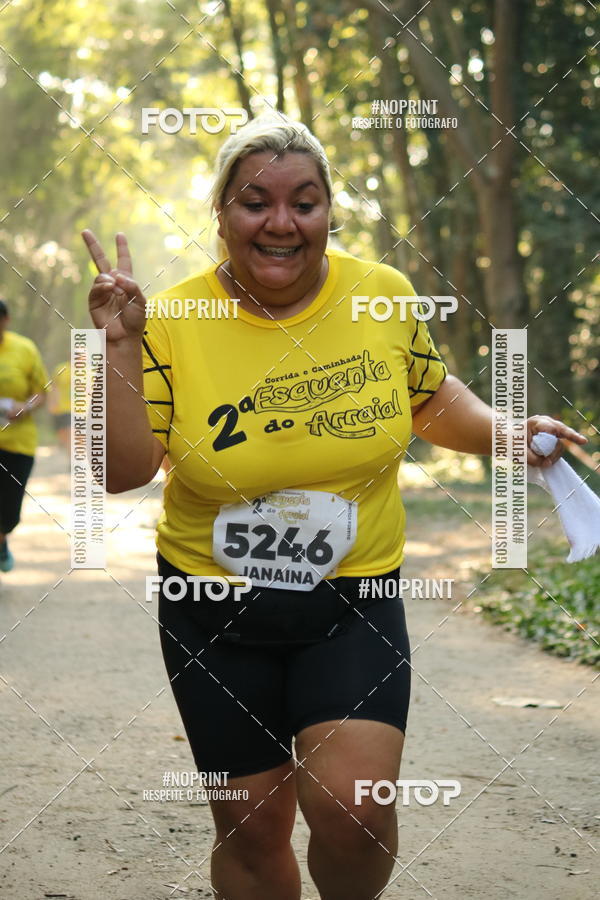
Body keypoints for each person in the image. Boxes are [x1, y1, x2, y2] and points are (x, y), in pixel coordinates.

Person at [82, 114, 587, 900]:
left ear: (328, 214)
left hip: (354, 596)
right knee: (251, 830)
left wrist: (505, 431)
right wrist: (116, 346)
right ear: (220, 214)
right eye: (255, 202)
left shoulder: (380, 295)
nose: (281, 223)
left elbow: (431, 399)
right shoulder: (171, 319)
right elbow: (123, 471)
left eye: (305, 202)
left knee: (355, 811)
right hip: (211, 607)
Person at [0, 299, 48, 572]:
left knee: (8, 513)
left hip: (18, 444)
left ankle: (3, 536)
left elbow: (41, 391)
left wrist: (25, 407)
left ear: (5, 320)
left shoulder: (24, 349)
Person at [48, 361, 72, 453]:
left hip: (80, 409)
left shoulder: (89, 370)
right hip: (62, 408)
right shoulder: (61, 369)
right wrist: (52, 403)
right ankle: (71, 455)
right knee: (63, 435)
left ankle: (75, 461)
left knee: (72, 433)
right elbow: (53, 387)